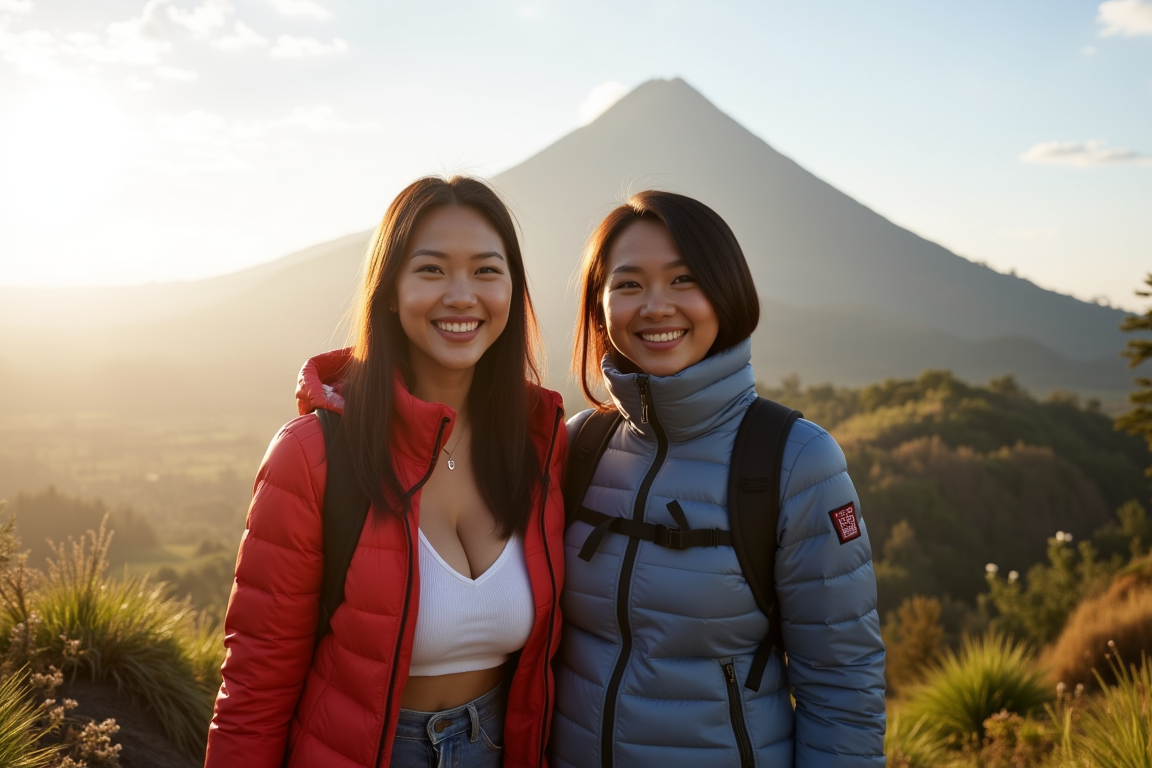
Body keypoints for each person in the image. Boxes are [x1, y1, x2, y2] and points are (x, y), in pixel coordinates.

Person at [204, 176, 567, 768]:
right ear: (390, 292)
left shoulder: (540, 447)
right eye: (431, 270)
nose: (461, 295)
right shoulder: (313, 455)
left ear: (513, 291)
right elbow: (255, 690)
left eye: (485, 270)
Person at [550, 190, 886, 767]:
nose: (656, 306)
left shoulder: (796, 461)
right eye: (628, 284)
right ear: (599, 305)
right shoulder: (580, 445)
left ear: (726, 292)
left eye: (684, 280)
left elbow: (843, 686)